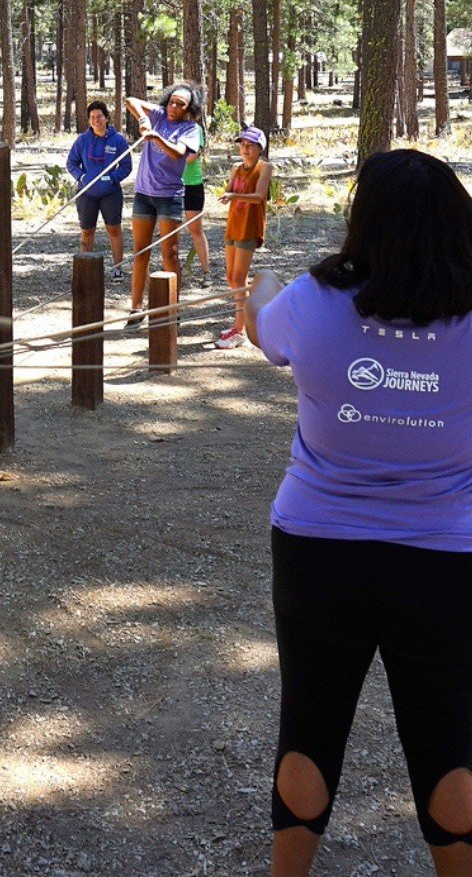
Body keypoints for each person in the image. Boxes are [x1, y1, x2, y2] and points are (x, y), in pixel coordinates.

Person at [245, 151, 472, 877]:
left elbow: (262, 330)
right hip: (446, 556)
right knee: (449, 735)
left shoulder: (312, 299)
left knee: (310, 723)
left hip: (318, 549)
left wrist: (262, 286)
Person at [124, 84, 203, 325]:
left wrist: (155, 136)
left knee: (170, 253)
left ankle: (171, 310)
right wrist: (144, 121)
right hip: (143, 194)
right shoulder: (158, 115)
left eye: (182, 105)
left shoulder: (190, 128)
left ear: (189, 109)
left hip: (169, 196)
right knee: (140, 252)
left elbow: (177, 153)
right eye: (172, 102)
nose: (175, 107)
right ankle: (136, 309)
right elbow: (130, 99)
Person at [213, 125, 273, 349]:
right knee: (231, 277)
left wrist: (234, 195)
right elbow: (230, 190)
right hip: (233, 225)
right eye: (242, 145)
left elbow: (258, 197)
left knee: (239, 278)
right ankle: (240, 324)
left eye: (250, 145)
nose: (245, 149)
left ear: (260, 148)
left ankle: (240, 330)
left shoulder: (264, 167)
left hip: (249, 226)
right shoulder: (236, 168)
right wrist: (227, 196)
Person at [66, 100, 132, 277]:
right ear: (89, 120)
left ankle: (118, 268)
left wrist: (112, 178)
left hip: (110, 193)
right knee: (87, 231)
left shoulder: (118, 140)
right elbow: (71, 163)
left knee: (114, 229)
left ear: (106, 117)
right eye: (92, 117)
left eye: (99, 116)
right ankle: (86, 270)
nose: (96, 120)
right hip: (86, 193)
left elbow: (126, 166)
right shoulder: (82, 140)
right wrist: (82, 177)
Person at [183, 117, 212, 287]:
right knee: (170, 229)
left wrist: (171, 155)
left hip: (192, 184)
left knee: (195, 229)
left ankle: (206, 271)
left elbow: (192, 156)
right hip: (170, 184)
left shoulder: (194, 128)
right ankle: (173, 270)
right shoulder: (169, 126)